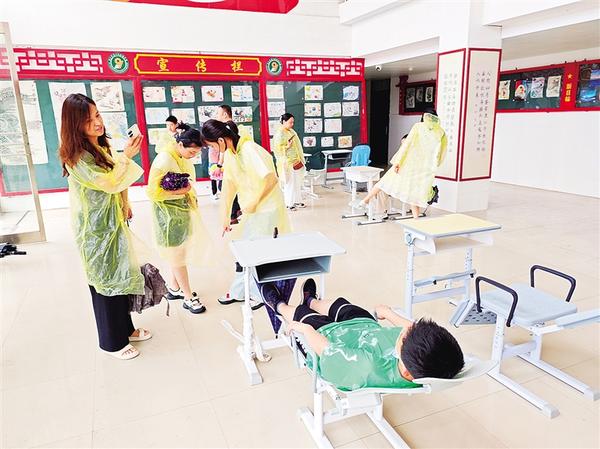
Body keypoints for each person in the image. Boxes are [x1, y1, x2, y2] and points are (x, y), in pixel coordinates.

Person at [59, 93, 149, 360]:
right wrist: (127, 156)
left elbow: (116, 180)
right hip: (95, 230)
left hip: (113, 222)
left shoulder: (99, 146)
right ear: (75, 125)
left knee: (120, 274)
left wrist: (125, 202)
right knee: (104, 282)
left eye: (97, 115)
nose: (97, 123)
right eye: (88, 120)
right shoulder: (77, 158)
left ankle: (126, 329)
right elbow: (108, 182)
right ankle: (112, 342)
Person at [260, 278, 465, 391]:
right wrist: (388, 313)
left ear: (407, 369)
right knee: (344, 307)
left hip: (329, 338)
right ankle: (311, 300)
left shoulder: (365, 365)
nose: (406, 330)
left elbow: (327, 350)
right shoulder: (422, 367)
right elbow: (412, 330)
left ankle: (278, 305)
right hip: (365, 330)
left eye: (404, 337)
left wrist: (306, 330)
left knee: (304, 317)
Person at [200, 119, 291, 309]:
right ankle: (240, 291)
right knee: (245, 251)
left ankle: (258, 294)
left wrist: (255, 201)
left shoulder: (249, 149)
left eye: (212, 146)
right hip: (251, 210)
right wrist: (225, 216)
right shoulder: (231, 154)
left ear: (221, 140)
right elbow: (229, 186)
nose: (214, 150)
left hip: (266, 209)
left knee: (258, 253)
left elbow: (271, 179)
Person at [147, 127, 210, 314]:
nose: (192, 156)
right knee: (177, 254)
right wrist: (182, 190)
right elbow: (152, 192)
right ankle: (188, 297)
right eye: (191, 152)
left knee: (179, 251)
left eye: (196, 153)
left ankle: (174, 288)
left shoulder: (178, 156)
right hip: (168, 214)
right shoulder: (164, 160)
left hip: (178, 210)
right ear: (180, 144)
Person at [358, 109, 447, 219]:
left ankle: (365, 200)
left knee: (385, 181)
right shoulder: (441, 132)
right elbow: (441, 153)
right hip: (425, 169)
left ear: (424, 117)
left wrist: (398, 161)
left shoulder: (418, 126)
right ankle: (416, 220)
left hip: (409, 163)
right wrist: (434, 166)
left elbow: (407, 145)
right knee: (414, 194)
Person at [272, 113, 306, 210]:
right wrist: (287, 146)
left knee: (297, 182)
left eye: (293, 122)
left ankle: (297, 201)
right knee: (289, 183)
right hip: (287, 162)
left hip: (295, 160)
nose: (292, 124)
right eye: (290, 122)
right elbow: (277, 149)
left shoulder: (291, 131)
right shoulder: (279, 133)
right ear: (284, 122)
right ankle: (289, 203)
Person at [216, 104, 242, 224]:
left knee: (226, 187)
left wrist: (219, 165)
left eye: (218, 113)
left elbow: (223, 148)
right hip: (233, 161)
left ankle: (234, 214)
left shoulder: (227, 127)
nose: (217, 116)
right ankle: (236, 210)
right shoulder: (233, 126)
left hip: (231, 161)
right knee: (230, 186)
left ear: (225, 114)